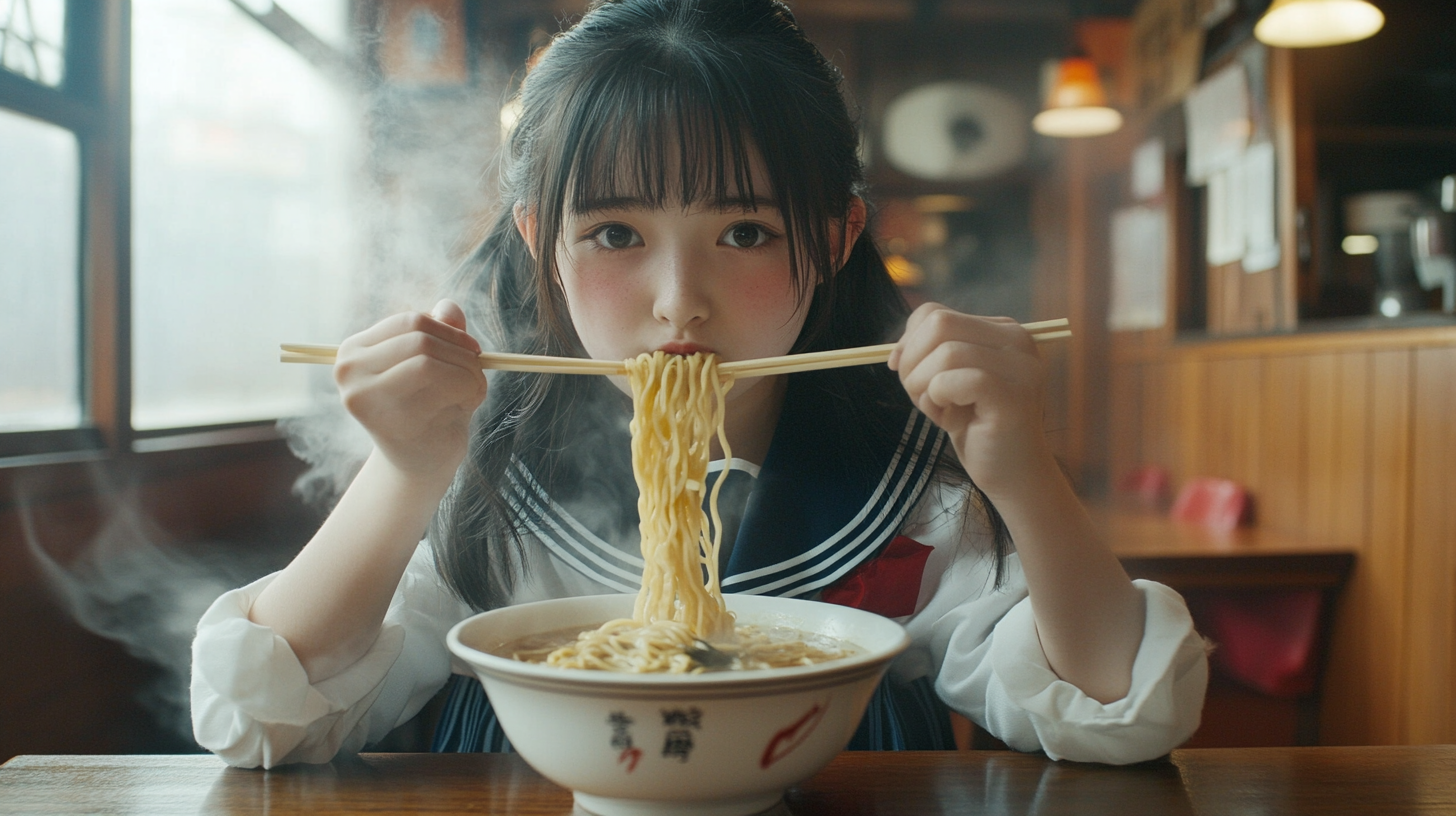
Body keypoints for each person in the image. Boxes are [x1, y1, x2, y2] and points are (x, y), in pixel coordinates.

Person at [191, 0, 1206, 769]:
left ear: (835, 238)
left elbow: (1124, 710)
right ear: (541, 243)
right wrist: (402, 473)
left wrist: (1022, 467)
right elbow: (266, 717)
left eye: (745, 233)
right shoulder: (483, 484)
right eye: (616, 235)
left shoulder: (905, 496)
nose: (679, 303)